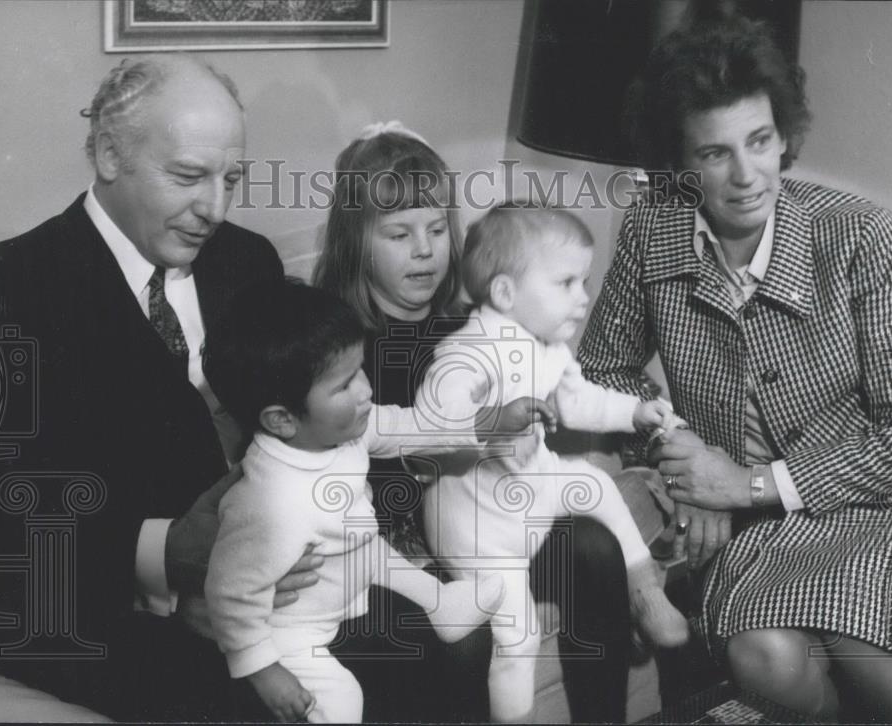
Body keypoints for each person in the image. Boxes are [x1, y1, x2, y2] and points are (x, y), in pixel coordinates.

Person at [577, 18, 892, 724]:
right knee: (764, 660)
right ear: (681, 165)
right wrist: (684, 455)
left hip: (884, 504)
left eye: (759, 141)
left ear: (784, 135)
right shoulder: (653, 232)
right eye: (715, 153)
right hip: (754, 532)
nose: (748, 176)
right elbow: (601, 372)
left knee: (862, 638)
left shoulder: (861, 235)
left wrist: (745, 483)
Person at [0, 55, 313, 721]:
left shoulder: (247, 262)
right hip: (89, 611)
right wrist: (167, 559)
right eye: (187, 177)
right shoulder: (0, 290)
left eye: (230, 179)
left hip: (256, 580)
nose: (214, 208)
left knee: (433, 642)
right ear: (111, 155)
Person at [314, 123, 635, 722]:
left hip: (489, 511)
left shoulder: (478, 327)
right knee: (467, 635)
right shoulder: (338, 341)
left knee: (593, 545)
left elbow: (553, 397)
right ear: (356, 242)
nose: (425, 250)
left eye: (437, 230)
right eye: (399, 234)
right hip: (392, 532)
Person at [202, 278, 528, 722]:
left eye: (360, 370)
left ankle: (442, 602)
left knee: (375, 549)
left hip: (350, 560)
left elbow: (412, 426)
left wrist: (487, 421)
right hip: (296, 629)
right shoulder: (269, 502)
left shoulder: (344, 430)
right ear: (281, 419)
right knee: (342, 701)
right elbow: (230, 594)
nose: (365, 390)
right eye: (343, 386)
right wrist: (261, 668)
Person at [414, 203, 689, 722]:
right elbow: (436, 416)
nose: (583, 298)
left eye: (583, 282)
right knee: (516, 633)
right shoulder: (467, 350)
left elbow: (578, 400)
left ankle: (645, 591)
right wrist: (494, 418)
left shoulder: (550, 347)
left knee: (592, 482)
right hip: (476, 523)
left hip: (530, 490)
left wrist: (634, 411)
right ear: (504, 293)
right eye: (566, 283)